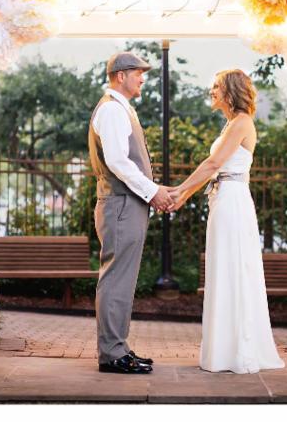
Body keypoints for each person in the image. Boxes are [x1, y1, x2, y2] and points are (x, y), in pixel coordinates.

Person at [169, 69, 285, 374]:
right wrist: (183, 196)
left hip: (233, 201)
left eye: (216, 87)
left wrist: (180, 191)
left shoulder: (243, 122)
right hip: (222, 198)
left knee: (234, 269)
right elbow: (214, 170)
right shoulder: (231, 124)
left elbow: (214, 164)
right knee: (222, 269)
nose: (212, 92)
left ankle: (238, 351)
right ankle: (223, 350)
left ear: (231, 91)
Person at [88, 51, 174, 374]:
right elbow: (118, 162)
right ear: (120, 76)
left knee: (123, 279)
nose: (142, 78)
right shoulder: (112, 109)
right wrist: (153, 192)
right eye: (137, 72)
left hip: (126, 204)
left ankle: (118, 347)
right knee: (116, 279)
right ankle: (112, 354)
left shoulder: (120, 108)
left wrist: (152, 191)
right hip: (121, 204)